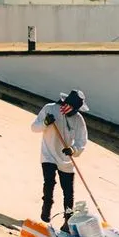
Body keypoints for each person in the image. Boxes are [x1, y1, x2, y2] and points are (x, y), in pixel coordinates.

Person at [30, 89, 89, 225]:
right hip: (48, 153)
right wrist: (45, 123)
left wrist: (73, 150)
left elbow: (82, 141)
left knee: (68, 192)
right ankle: (46, 210)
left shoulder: (78, 119)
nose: (72, 112)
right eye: (71, 108)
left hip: (66, 159)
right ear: (65, 103)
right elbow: (34, 127)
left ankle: (68, 221)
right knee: (49, 182)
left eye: (74, 110)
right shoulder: (50, 109)